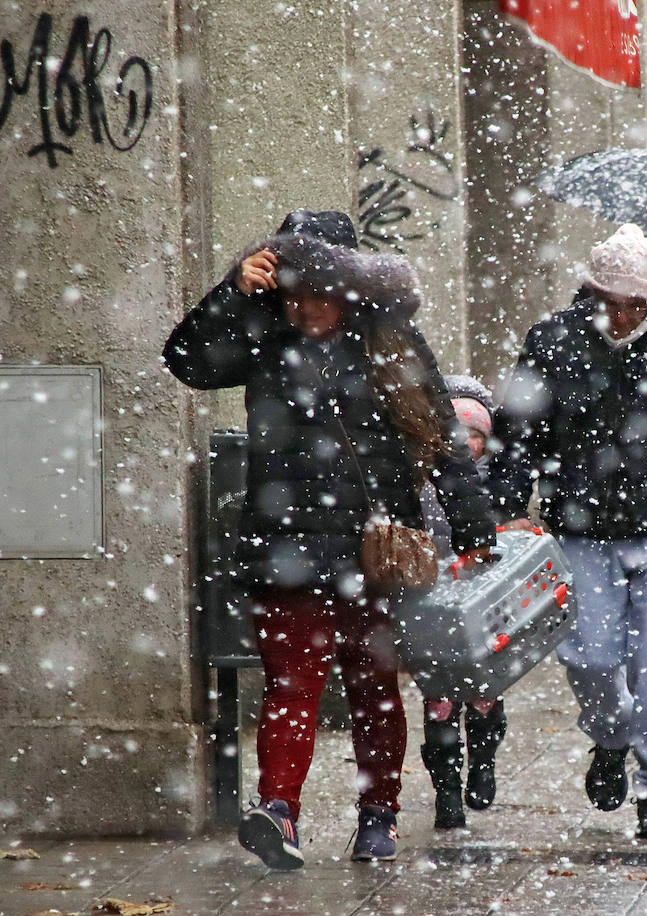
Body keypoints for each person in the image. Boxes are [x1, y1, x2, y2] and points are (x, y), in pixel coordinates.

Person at [163, 210, 496, 869]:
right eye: (292, 288)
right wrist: (232, 290)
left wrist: (474, 527)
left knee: (373, 687)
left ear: (350, 288)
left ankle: (379, 817)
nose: (304, 304)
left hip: (374, 550)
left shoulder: (390, 341)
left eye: (317, 289)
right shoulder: (263, 334)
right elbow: (188, 361)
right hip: (284, 547)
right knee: (292, 686)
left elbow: (441, 439)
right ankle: (279, 813)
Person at [487, 224, 647, 840]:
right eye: (611, 302)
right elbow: (517, 432)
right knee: (592, 659)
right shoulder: (554, 340)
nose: (622, 317)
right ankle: (609, 737)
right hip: (581, 524)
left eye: (637, 305)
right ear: (590, 291)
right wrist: (510, 504)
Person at [416, 375, 507, 828]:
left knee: (486, 693)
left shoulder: (497, 484)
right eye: (459, 435)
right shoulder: (421, 482)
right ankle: (446, 791)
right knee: (439, 700)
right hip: (434, 604)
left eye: (477, 435)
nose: (468, 444)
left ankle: (483, 764)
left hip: (485, 603)